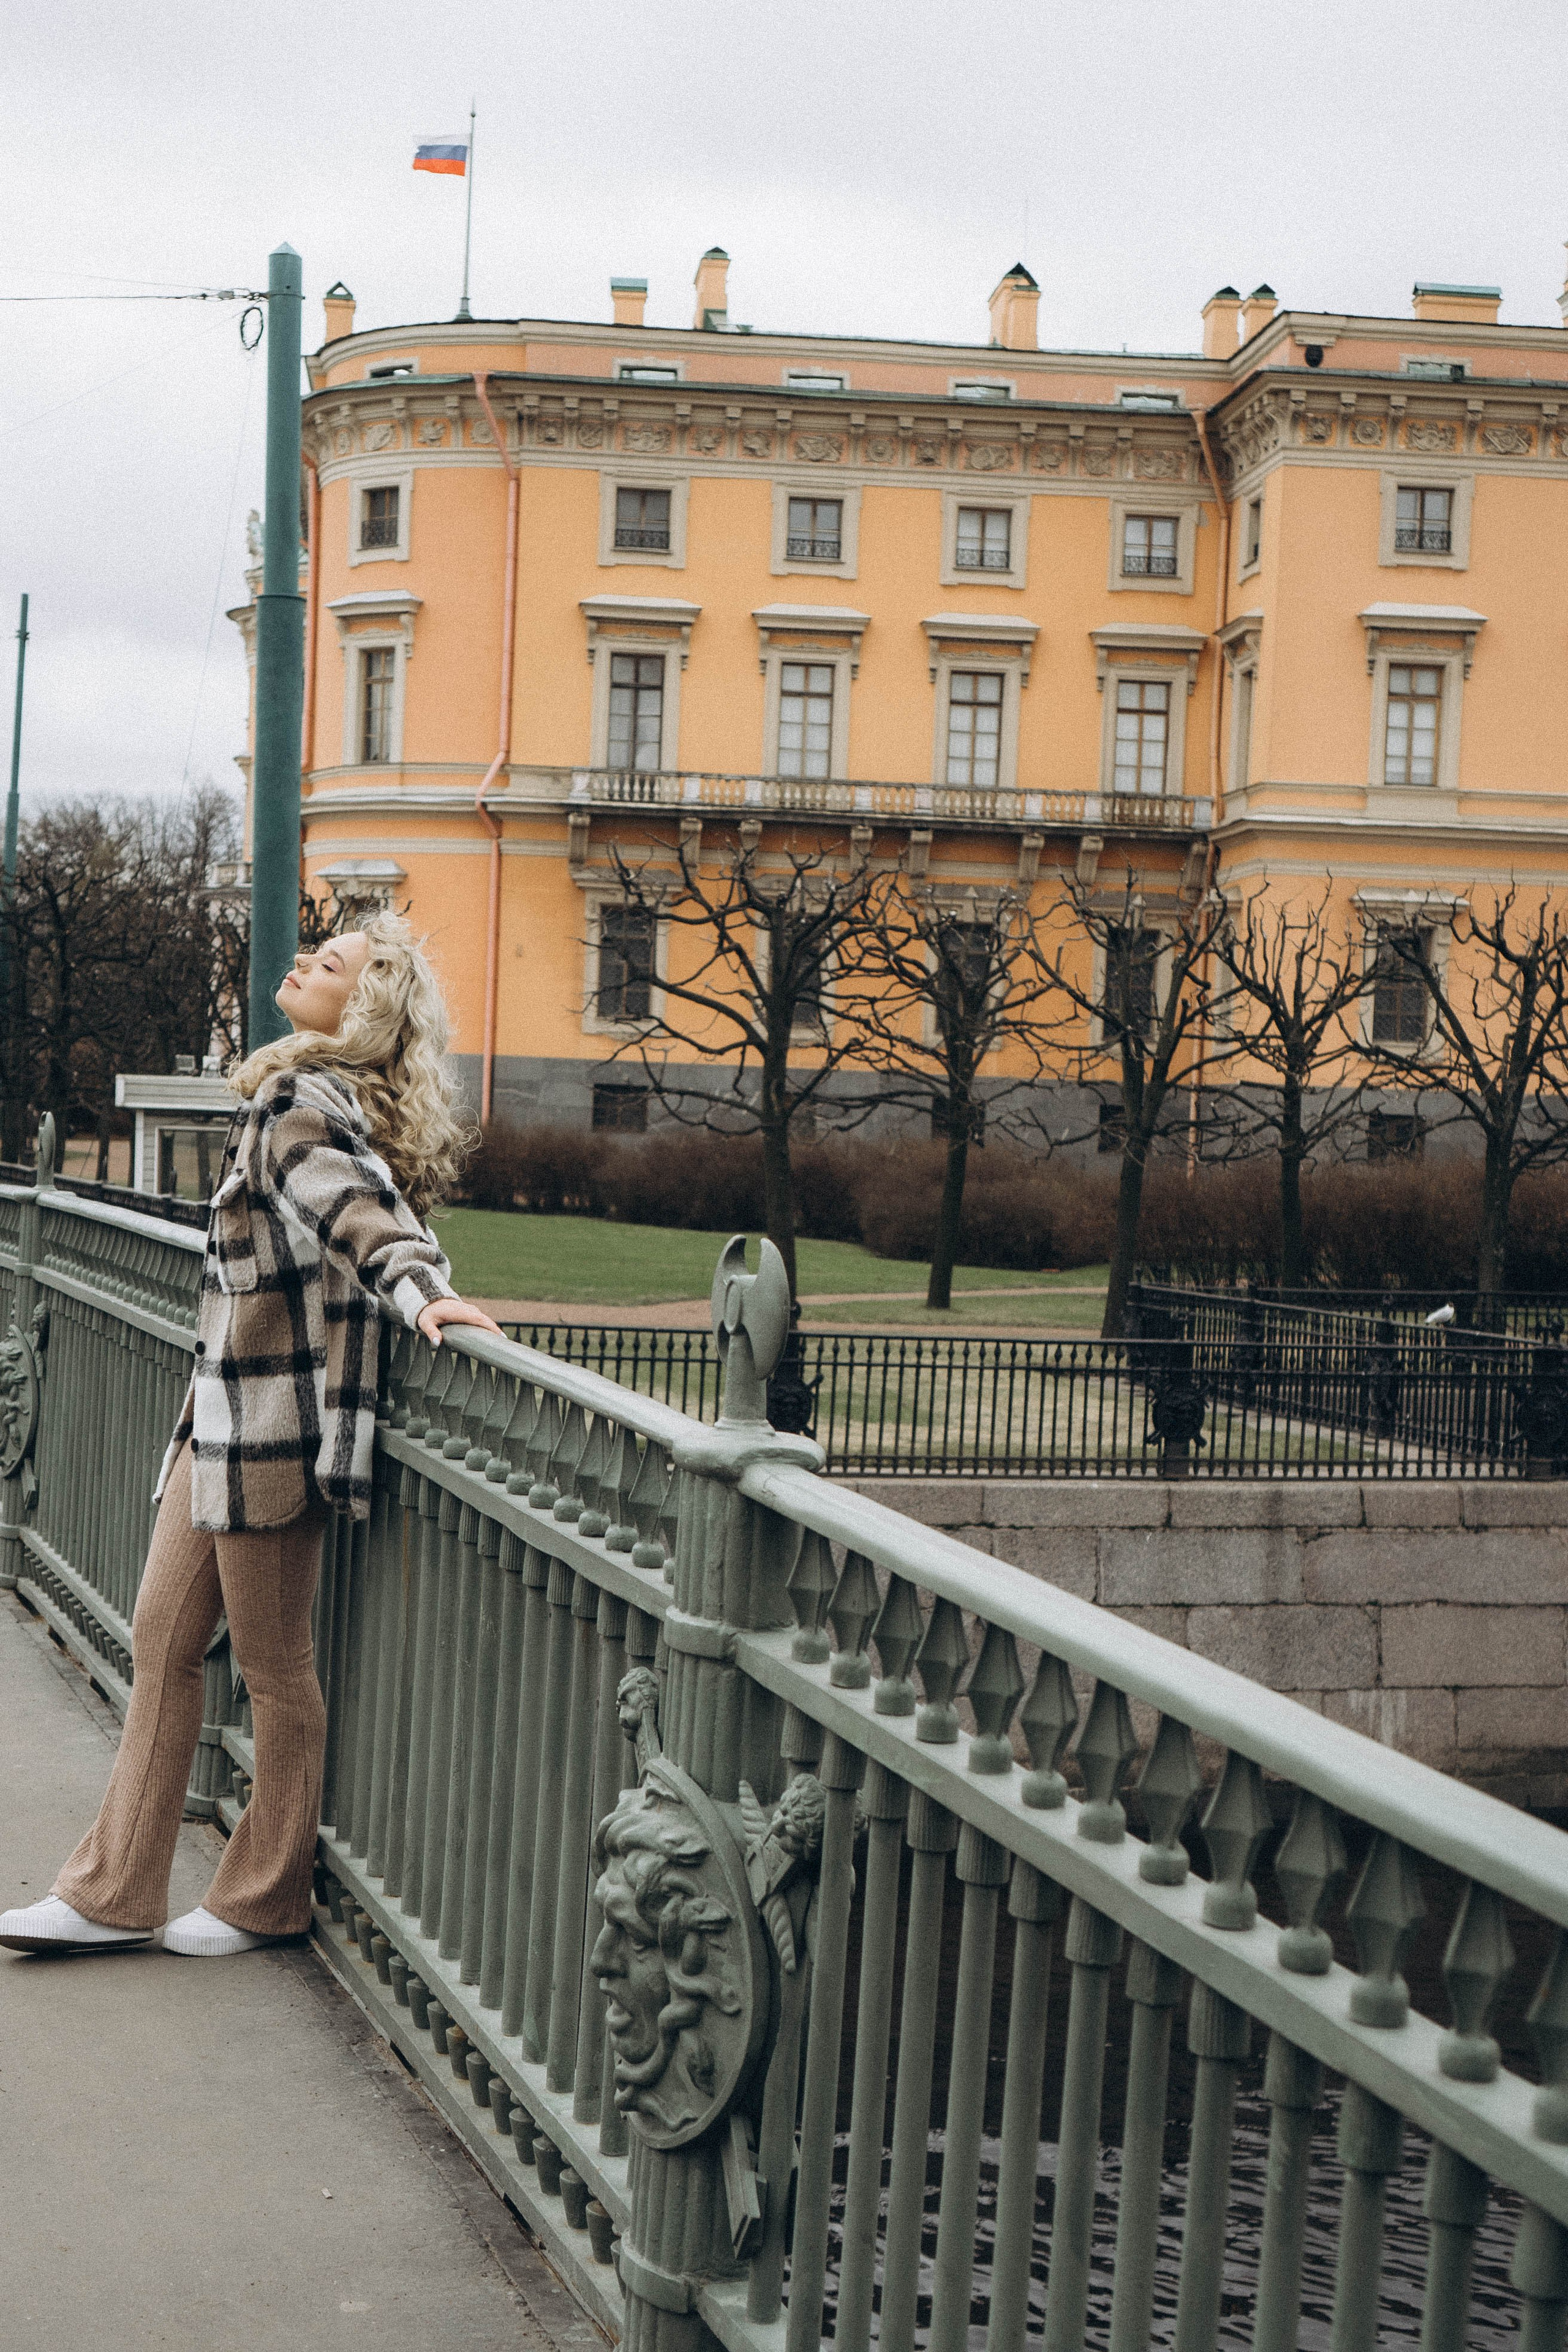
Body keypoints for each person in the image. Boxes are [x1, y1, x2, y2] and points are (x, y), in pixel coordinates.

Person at [0, 916, 503, 1960]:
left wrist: (422, 1295)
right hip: (221, 1419)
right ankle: (114, 1894)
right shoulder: (312, 1096)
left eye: (330, 965)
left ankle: (262, 1897)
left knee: (275, 1668)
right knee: (163, 1641)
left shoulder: (300, 1105)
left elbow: (355, 1214)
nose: (303, 963)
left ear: (361, 1008)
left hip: (274, 1429)